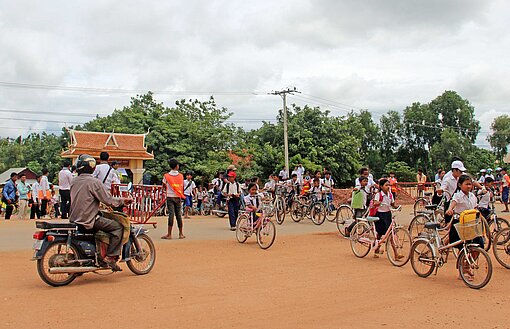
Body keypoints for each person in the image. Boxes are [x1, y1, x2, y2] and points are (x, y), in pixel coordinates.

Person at [69, 154, 132, 271]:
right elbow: (109, 200)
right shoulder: (94, 182)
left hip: (75, 218)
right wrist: (123, 201)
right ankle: (111, 256)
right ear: (92, 167)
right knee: (117, 227)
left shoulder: (74, 181)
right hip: (89, 219)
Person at [445, 175, 484, 249]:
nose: (469, 186)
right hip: (460, 223)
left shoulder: (473, 196)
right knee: (462, 246)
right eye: (466, 184)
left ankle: (467, 259)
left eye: (470, 184)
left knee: (479, 244)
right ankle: (461, 259)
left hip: (471, 223)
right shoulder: (457, 196)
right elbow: (453, 203)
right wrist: (450, 209)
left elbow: (475, 208)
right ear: (460, 185)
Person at [371, 178, 396, 258]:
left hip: (388, 215)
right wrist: (380, 202)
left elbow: (392, 204)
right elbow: (375, 203)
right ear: (381, 187)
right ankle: (395, 253)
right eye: (386, 185)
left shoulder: (390, 195)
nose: (388, 187)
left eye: (389, 185)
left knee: (388, 233)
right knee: (381, 233)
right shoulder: (379, 195)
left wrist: (397, 207)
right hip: (380, 215)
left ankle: (395, 253)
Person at [161, 158, 186, 239]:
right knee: (178, 215)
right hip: (178, 196)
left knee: (171, 215)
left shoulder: (166, 176)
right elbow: (182, 186)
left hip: (170, 196)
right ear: (177, 166)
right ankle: (181, 234)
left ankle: (169, 234)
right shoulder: (181, 176)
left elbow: (163, 185)